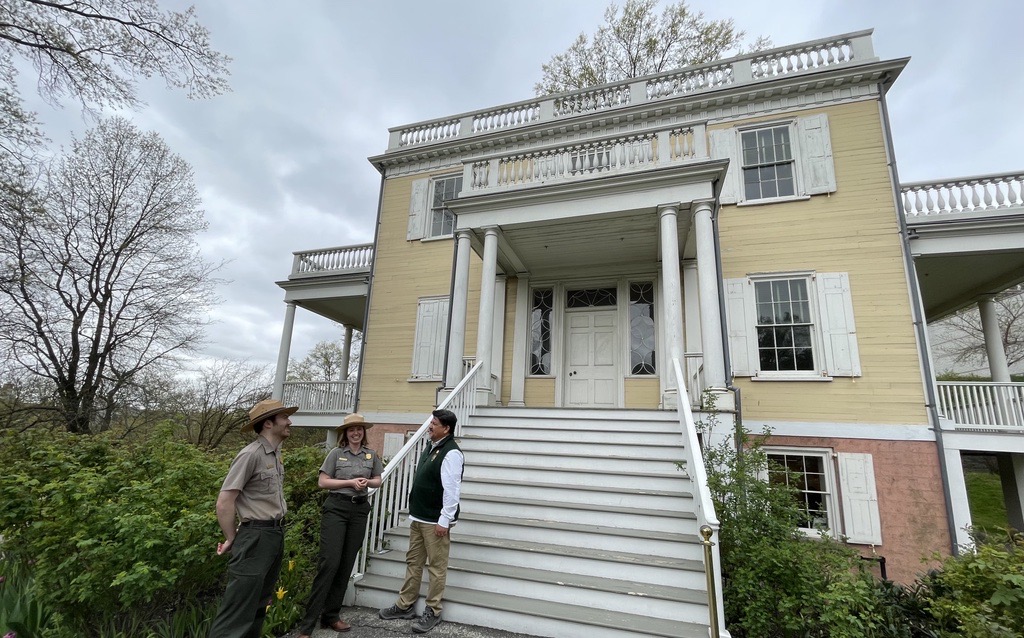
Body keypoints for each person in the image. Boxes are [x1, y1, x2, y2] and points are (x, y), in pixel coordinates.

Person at [209, 399, 297, 638]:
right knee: (237, 612)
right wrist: (232, 538)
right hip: (255, 536)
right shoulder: (250, 455)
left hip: (273, 535)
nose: (290, 421)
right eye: (284, 418)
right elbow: (224, 501)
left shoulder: (275, 454)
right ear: (268, 423)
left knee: (258, 605)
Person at [295, 413, 383, 637]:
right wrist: (349, 482)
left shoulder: (371, 455)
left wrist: (366, 482)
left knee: (346, 565)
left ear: (364, 432)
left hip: (359, 510)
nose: (356, 433)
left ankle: (331, 616)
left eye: (359, 430)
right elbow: (323, 481)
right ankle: (307, 624)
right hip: (336, 508)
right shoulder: (336, 454)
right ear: (345, 433)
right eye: (352, 430)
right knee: (329, 564)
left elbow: (378, 480)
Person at [378, 408, 464, 634]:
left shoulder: (452, 453)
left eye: (434, 424)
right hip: (418, 516)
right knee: (413, 562)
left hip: (435, 520)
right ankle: (405, 605)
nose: (430, 427)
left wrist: (444, 520)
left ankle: (433, 610)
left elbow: (452, 491)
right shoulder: (431, 446)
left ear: (446, 428)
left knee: (436, 567)